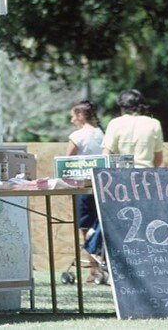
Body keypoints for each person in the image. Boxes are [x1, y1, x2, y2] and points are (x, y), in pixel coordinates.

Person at [65, 100, 104, 283]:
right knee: (99, 226)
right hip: (101, 185)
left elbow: (67, 161)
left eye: (73, 115)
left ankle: (94, 269)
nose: (72, 120)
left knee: (85, 227)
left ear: (80, 116)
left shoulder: (77, 136)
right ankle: (101, 265)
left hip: (83, 185)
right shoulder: (102, 134)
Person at [102, 89, 164, 168]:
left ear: (122, 106)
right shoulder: (154, 124)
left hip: (122, 175)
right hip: (148, 175)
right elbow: (158, 159)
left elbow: (106, 155)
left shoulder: (115, 123)